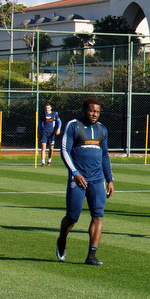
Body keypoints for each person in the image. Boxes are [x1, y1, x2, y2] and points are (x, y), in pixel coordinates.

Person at [58, 98, 113, 265]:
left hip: (97, 180)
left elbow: (104, 156)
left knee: (98, 215)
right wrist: (75, 173)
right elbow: (64, 151)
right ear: (84, 110)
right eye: (91, 111)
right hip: (78, 179)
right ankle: (62, 239)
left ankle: (91, 255)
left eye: (97, 111)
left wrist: (109, 179)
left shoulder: (102, 129)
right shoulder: (73, 126)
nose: (94, 114)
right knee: (72, 217)